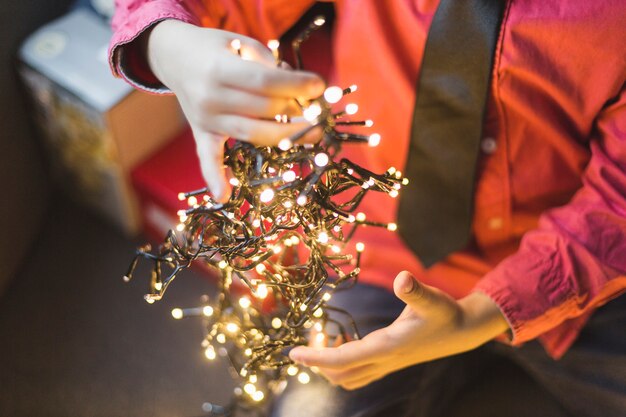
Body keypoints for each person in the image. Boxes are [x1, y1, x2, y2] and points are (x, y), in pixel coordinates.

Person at [109, 1, 626, 416]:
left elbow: (616, 204)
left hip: (582, 287)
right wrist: (170, 46)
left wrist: (480, 316)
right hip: (380, 254)